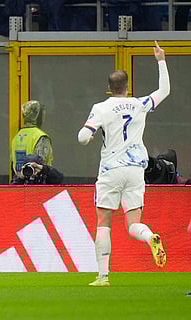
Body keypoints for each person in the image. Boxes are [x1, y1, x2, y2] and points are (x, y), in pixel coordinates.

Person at [77, 41, 170, 286]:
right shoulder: (140, 104)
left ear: (109, 88)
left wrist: (92, 132)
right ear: (127, 87)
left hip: (110, 170)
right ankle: (150, 236)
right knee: (133, 224)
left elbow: (83, 138)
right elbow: (164, 91)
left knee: (103, 221)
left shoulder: (101, 107)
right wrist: (161, 60)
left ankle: (103, 276)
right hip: (135, 171)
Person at [10, 100, 54, 182]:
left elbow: (13, 164)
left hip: (19, 184)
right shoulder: (41, 137)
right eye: (42, 114)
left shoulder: (16, 137)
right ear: (37, 116)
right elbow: (40, 166)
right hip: (37, 186)